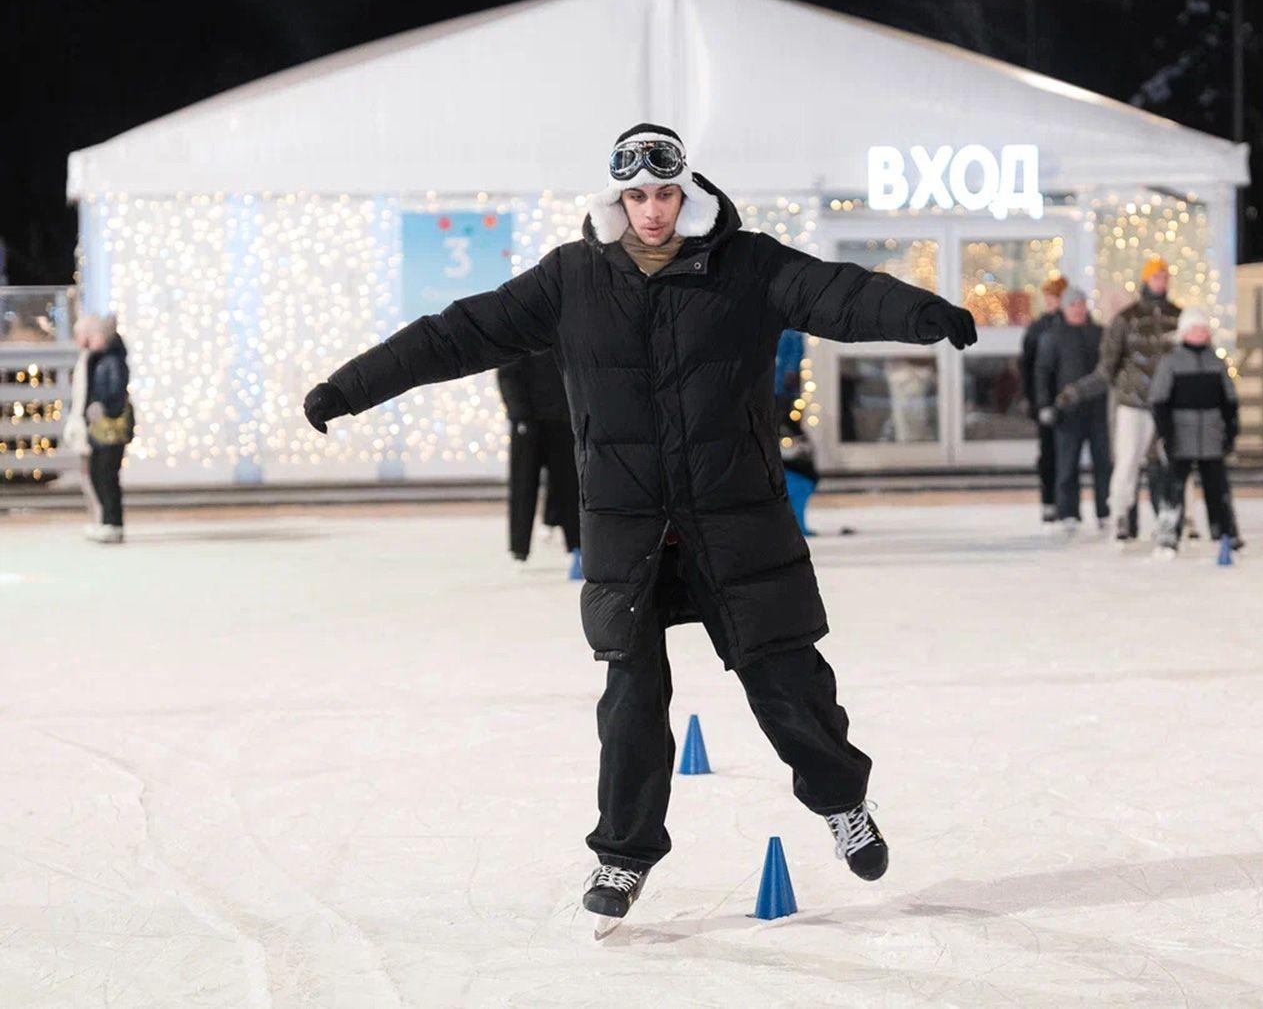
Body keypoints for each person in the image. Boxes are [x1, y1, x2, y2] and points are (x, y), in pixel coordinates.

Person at [301, 124, 977, 929]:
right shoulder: (572, 278)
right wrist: (349, 388)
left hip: (736, 520)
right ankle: (622, 856)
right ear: (616, 199)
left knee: (789, 683)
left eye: (664, 194)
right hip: (630, 530)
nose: (652, 211)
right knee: (630, 701)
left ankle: (843, 804)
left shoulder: (749, 266)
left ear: (686, 193)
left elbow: (840, 293)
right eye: (636, 196)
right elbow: (457, 334)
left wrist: (922, 312)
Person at [1054, 256, 1181, 541]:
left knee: (1164, 465)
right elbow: (1106, 370)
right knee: (1127, 462)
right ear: (1146, 280)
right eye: (1156, 276)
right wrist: (1077, 391)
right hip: (1133, 404)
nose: (1161, 282)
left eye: (1164, 277)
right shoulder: (1126, 319)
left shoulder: (1177, 317)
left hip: (1166, 405)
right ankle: (1122, 516)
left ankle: (1167, 519)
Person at [1149, 307, 1242, 554]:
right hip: (1181, 434)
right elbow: (1159, 400)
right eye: (1195, 329)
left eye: (1203, 329)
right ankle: (1168, 532)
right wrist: (1166, 432)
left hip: (1211, 433)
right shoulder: (1171, 362)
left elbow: (1229, 399)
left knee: (1217, 486)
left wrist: (1231, 429)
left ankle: (1225, 531)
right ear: (1184, 332)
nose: (1200, 333)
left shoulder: (1217, 362)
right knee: (1174, 487)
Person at [496, 349, 581, 575]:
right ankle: (519, 548)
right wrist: (518, 413)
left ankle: (576, 545)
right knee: (523, 486)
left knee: (569, 485)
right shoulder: (519, 333)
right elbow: (507, 371)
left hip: (562, 418)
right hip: (528, 420)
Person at [1034, 288, 1110, 531]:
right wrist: (1045, 404)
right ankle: (1068, 512)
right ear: (1064, 308)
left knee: (1103, 464)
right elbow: (1043, 373)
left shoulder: (1100, 334)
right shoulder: (1053, 336)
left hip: (1099, 411)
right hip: (1067, 412)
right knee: (1067, 464)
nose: (1077, 309)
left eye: (1081, 303)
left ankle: (1105, 511)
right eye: (1072, 304)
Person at [62, 314, 134, 544]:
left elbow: (115, 391)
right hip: (97, 428)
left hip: (109, 429)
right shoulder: (97, 359)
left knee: (106, 475)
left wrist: (102, 407)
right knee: (98, 474)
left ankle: (112, 523)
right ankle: (105, 521)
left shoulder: (112, 360)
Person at [1020, 275, 1067, 523]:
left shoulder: (1074, 325)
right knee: (1048, 452)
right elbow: (1027, 367)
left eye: (1055, 297)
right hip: (1045, 399)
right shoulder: (1037, 329)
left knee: (1067, 454)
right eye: (1048, 297)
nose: (1050, 301)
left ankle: (1066, 503)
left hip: (1069, 399)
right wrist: (1033, 400)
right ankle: (1049, 500)